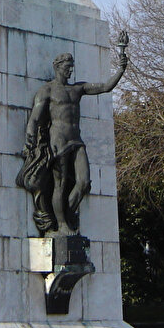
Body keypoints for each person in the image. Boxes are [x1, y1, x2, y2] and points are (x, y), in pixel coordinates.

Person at [20, 34, 129, 235]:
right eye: (67, 67)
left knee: (83, 182)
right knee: (59, 185)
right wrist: (30, 140)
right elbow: (35, 118)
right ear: (57, 67)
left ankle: (64, 216)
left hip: (76, 140)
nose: (70, 70)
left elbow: (105, 87)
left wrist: (121, 69)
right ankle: (62, 225)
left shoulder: (78, 89)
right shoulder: (48, 90)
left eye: (72, 67)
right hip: (57, 142)